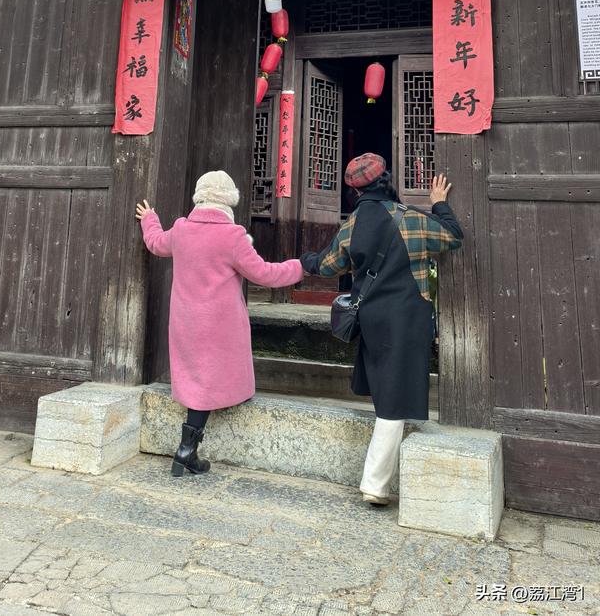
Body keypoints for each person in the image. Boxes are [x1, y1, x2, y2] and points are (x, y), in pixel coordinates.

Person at [300, 153, 464, 507]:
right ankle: (374, 483)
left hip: (371, 319)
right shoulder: (408, 219)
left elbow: (329, 264)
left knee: (389, 393)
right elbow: (453, 238)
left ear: (354, 192)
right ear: (386, 179)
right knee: (394, 402)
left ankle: (377, 481)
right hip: (406, 317)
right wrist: (439, 205)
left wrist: (302, 262)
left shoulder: (354, 222)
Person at [136, 170, 303, 478]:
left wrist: (150, 218)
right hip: (221, 325)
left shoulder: (182, 229)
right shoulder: (233, 235)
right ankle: (186, 449)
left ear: (199, 196)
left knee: (197, 377)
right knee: (212, 379)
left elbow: (156, 244)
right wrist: (299, 267)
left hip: (186, 321)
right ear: (229, 200)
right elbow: (264, 274)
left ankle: (188, 451)